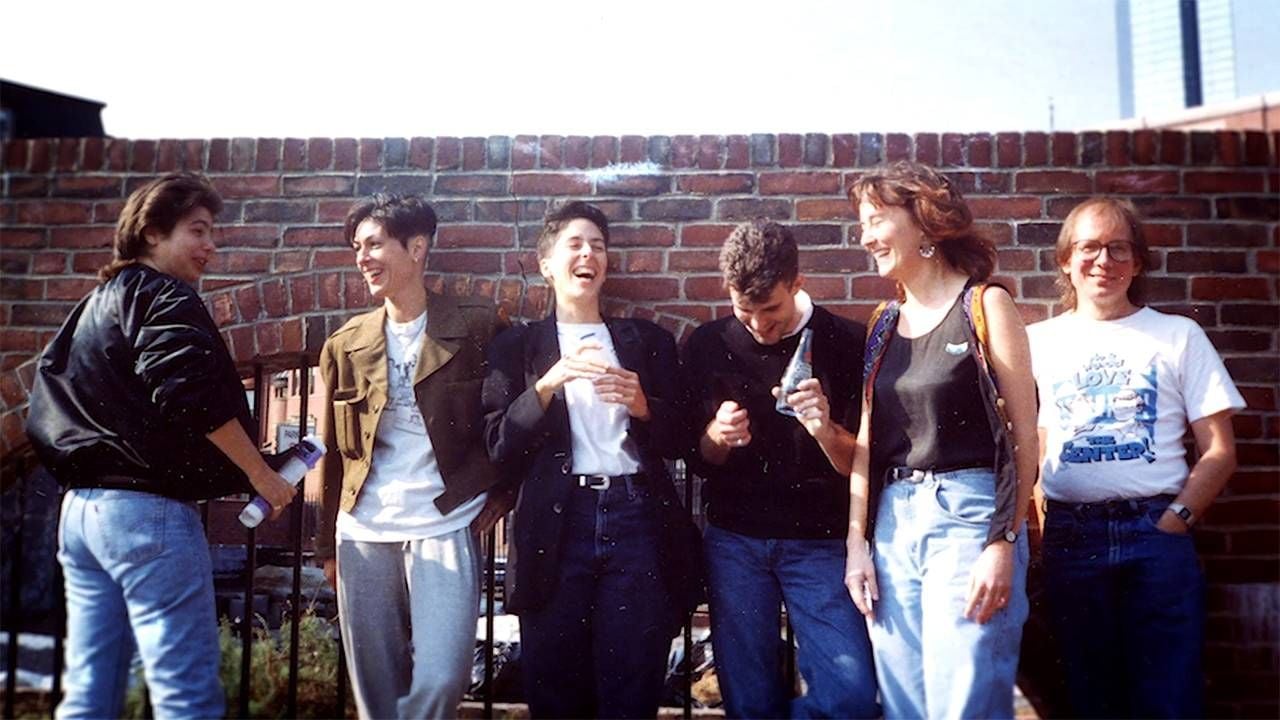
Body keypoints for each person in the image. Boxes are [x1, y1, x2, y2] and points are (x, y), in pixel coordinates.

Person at [25, 172, 297, 719]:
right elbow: (189, 392)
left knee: (88, 691)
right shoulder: (165, 295)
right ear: (152, 232)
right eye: (198, 230)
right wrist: (261, 475)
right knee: (185, 692)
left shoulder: (94, 305)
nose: (210, 245)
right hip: (147, 513)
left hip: (80, 515)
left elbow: (45, 401)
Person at [481, 200, 700, 719]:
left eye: (598, 246)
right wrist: (545, 385)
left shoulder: (646, 342)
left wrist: (644, 406)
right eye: (574, 245)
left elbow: (684, 440)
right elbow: (497, 443)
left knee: (633, 683)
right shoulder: (517, 347)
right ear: (547, 265)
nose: (588, 255)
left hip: (635, 517)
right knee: (555, 685)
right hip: (557, 525)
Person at [1027, 197, 1243, 718]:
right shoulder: (1036, 342)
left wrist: (1176, 520)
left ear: (1138, 262)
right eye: (1089, 248)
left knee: (1169, 694)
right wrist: (1039, 530)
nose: (1103, 261)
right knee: (1086, 694)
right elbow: (1031, 445)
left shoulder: (1178, 336)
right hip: (1071, 539)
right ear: (1065, 260)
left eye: (1118, 248)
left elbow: (1219, 450)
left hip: (1155, 536)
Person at [844, 161, 1038, 720]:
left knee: (964, 704)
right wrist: (858, 542)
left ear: (924, 222)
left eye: (877, 220)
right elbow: (865, 442)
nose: (866, 237)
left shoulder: (986, 306)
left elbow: (1023, 437)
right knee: (905, 706)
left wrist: (1004, 539)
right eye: (862, 224)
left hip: (970, 517)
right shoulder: (883, 323)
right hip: (893, 526)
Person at [315, 194, 511, 719]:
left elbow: (507, 419)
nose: (362, 257)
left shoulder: (477, 324)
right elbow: (333, 450)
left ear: (417, 247)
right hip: (362, 530)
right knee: (375, 693)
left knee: (443, 678)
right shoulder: (345, 343)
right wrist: (325, 547)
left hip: (445, 522)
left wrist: (504, 490)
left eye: (374, 243)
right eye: (357, 247)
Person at [682, 219, 878, 719]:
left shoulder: (845, 342)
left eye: (770, 310)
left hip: (820, 541)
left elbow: (862, 464)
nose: (759, 326)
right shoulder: (707, 344)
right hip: (735, 541)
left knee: (850, 694)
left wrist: (825, 428)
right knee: (748, 699)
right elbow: (698, 458)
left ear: (797, 282)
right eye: (744, 311)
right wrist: (715, 437)